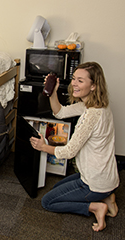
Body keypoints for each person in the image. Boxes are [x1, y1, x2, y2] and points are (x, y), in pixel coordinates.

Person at [30, 62, 119, 232]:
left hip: (94, 181)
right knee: (57, 188)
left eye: (80, 80)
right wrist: (53, 91)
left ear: (93, 86)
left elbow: (68, 152)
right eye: (73, 79)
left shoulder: (91, 115)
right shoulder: (97, 105)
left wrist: (43, 147)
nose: (74, 84)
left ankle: (96, 207)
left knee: (48, 201)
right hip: (105, 176)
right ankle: (108, 197)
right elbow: (60, 112)